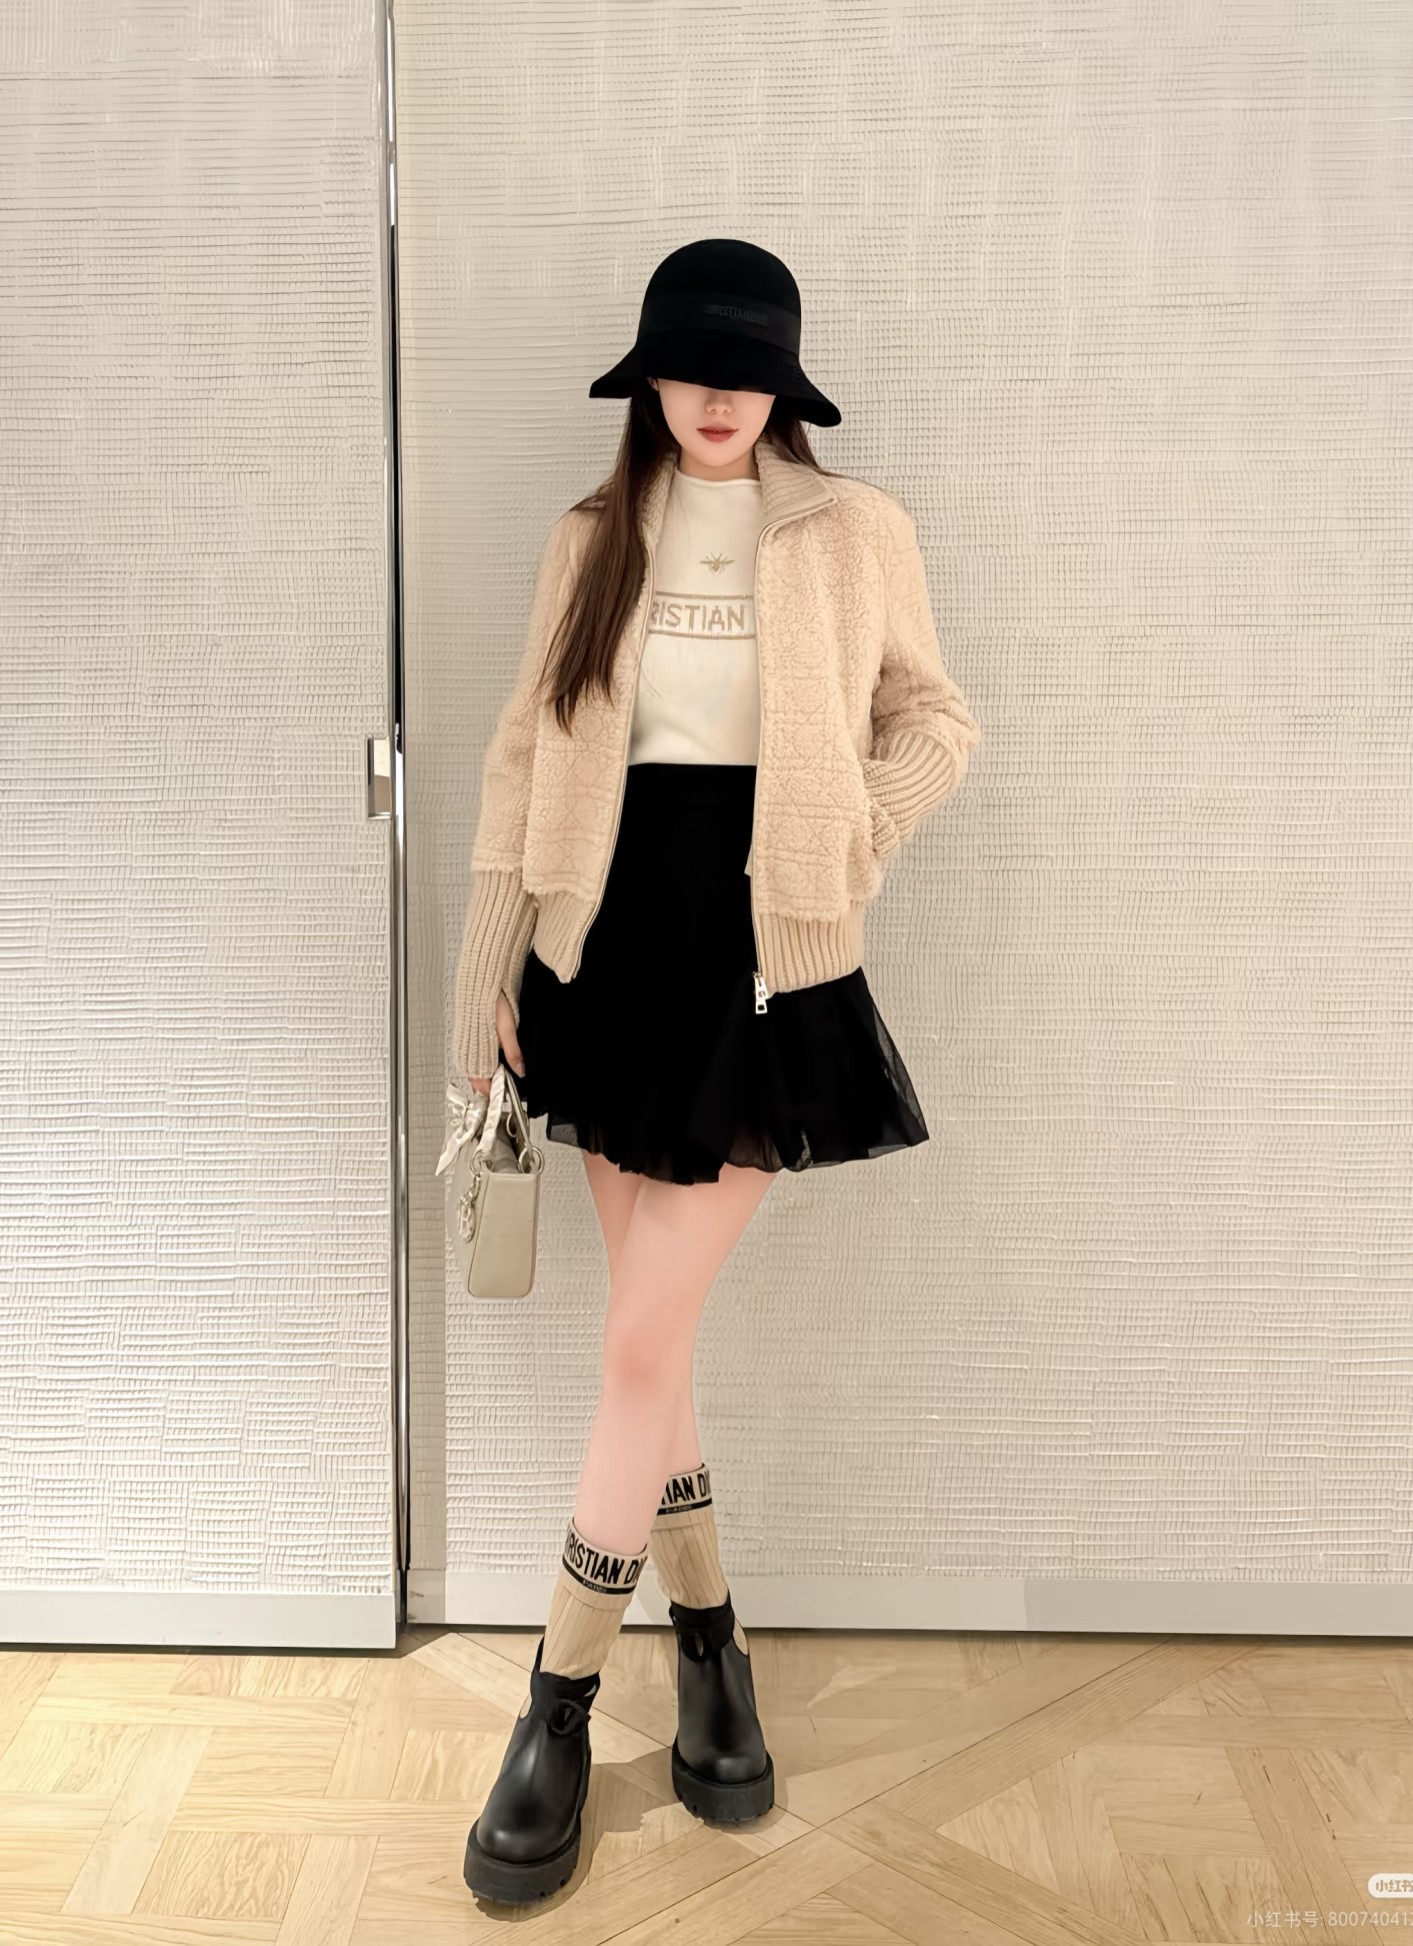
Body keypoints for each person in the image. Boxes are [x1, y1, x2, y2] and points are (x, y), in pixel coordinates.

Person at [451, 238, 982, 1906]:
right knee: (652, 1346)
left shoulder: (851, 532)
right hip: (599, 951)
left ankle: (554, 1706)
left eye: (747, 372)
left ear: (784, 388)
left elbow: (937, 722)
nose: (718, 397)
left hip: (762, 966)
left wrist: (848, 837)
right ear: (649, 380)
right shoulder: (593, 536)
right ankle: (712, 1650)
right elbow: (524, 753)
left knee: (636, 1341)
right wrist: (485, 971)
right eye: (691, 368)